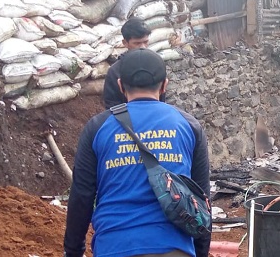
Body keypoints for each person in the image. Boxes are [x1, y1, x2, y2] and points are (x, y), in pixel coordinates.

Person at [64, 48, 211, 257]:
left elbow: (82, 197)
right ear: (164, 85)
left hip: (114, 247)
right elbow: (202, 199)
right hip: (174, 248)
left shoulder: (97, 128)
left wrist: (73, 251)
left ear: (120, 85)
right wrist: (199, 253)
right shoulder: (189, 126)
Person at [103, 17, 165, 109]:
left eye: (145, 42)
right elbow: (112, 105)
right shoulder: (115, 71)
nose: (143, 47)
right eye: (137, 43)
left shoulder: (155, 65)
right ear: (125, 43)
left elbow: (162, 99)